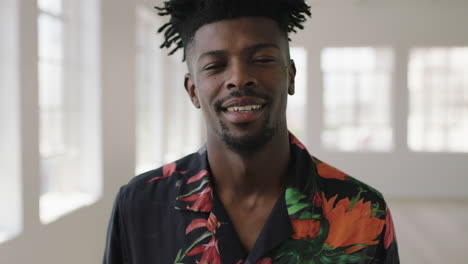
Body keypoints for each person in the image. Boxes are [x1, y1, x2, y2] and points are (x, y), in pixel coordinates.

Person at [103, 0, 399, 263]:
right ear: (193, 91)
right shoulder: (139, 206)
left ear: (290, 76)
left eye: (261, 60)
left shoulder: (364, 212)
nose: (239, 78)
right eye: (215, 65)